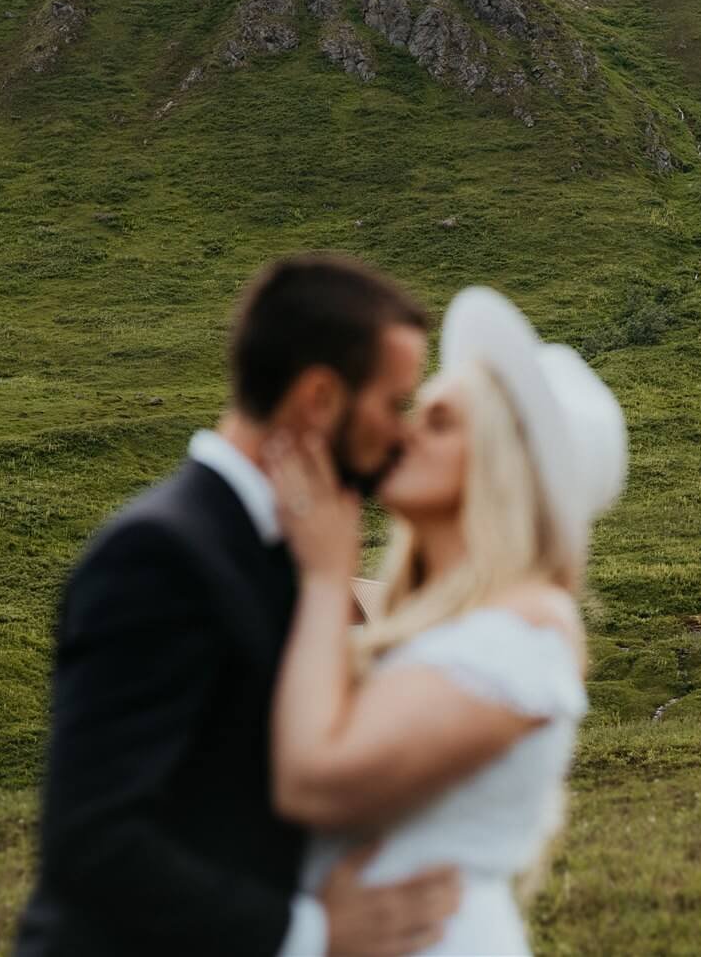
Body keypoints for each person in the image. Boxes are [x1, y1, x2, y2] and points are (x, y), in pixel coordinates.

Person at [13, 254, 461, 957]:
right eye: (394, 403)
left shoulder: (303, 553)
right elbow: (93, 842)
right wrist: (311, 933)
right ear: (318, 398)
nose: (404, 434)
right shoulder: (155, 555)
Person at [264, 285, 628, 956]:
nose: (402, 432)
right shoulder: (442, 623)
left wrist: (323, 578)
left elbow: (317, 779)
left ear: (501, 465)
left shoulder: (530, 623)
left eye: (438, 422)